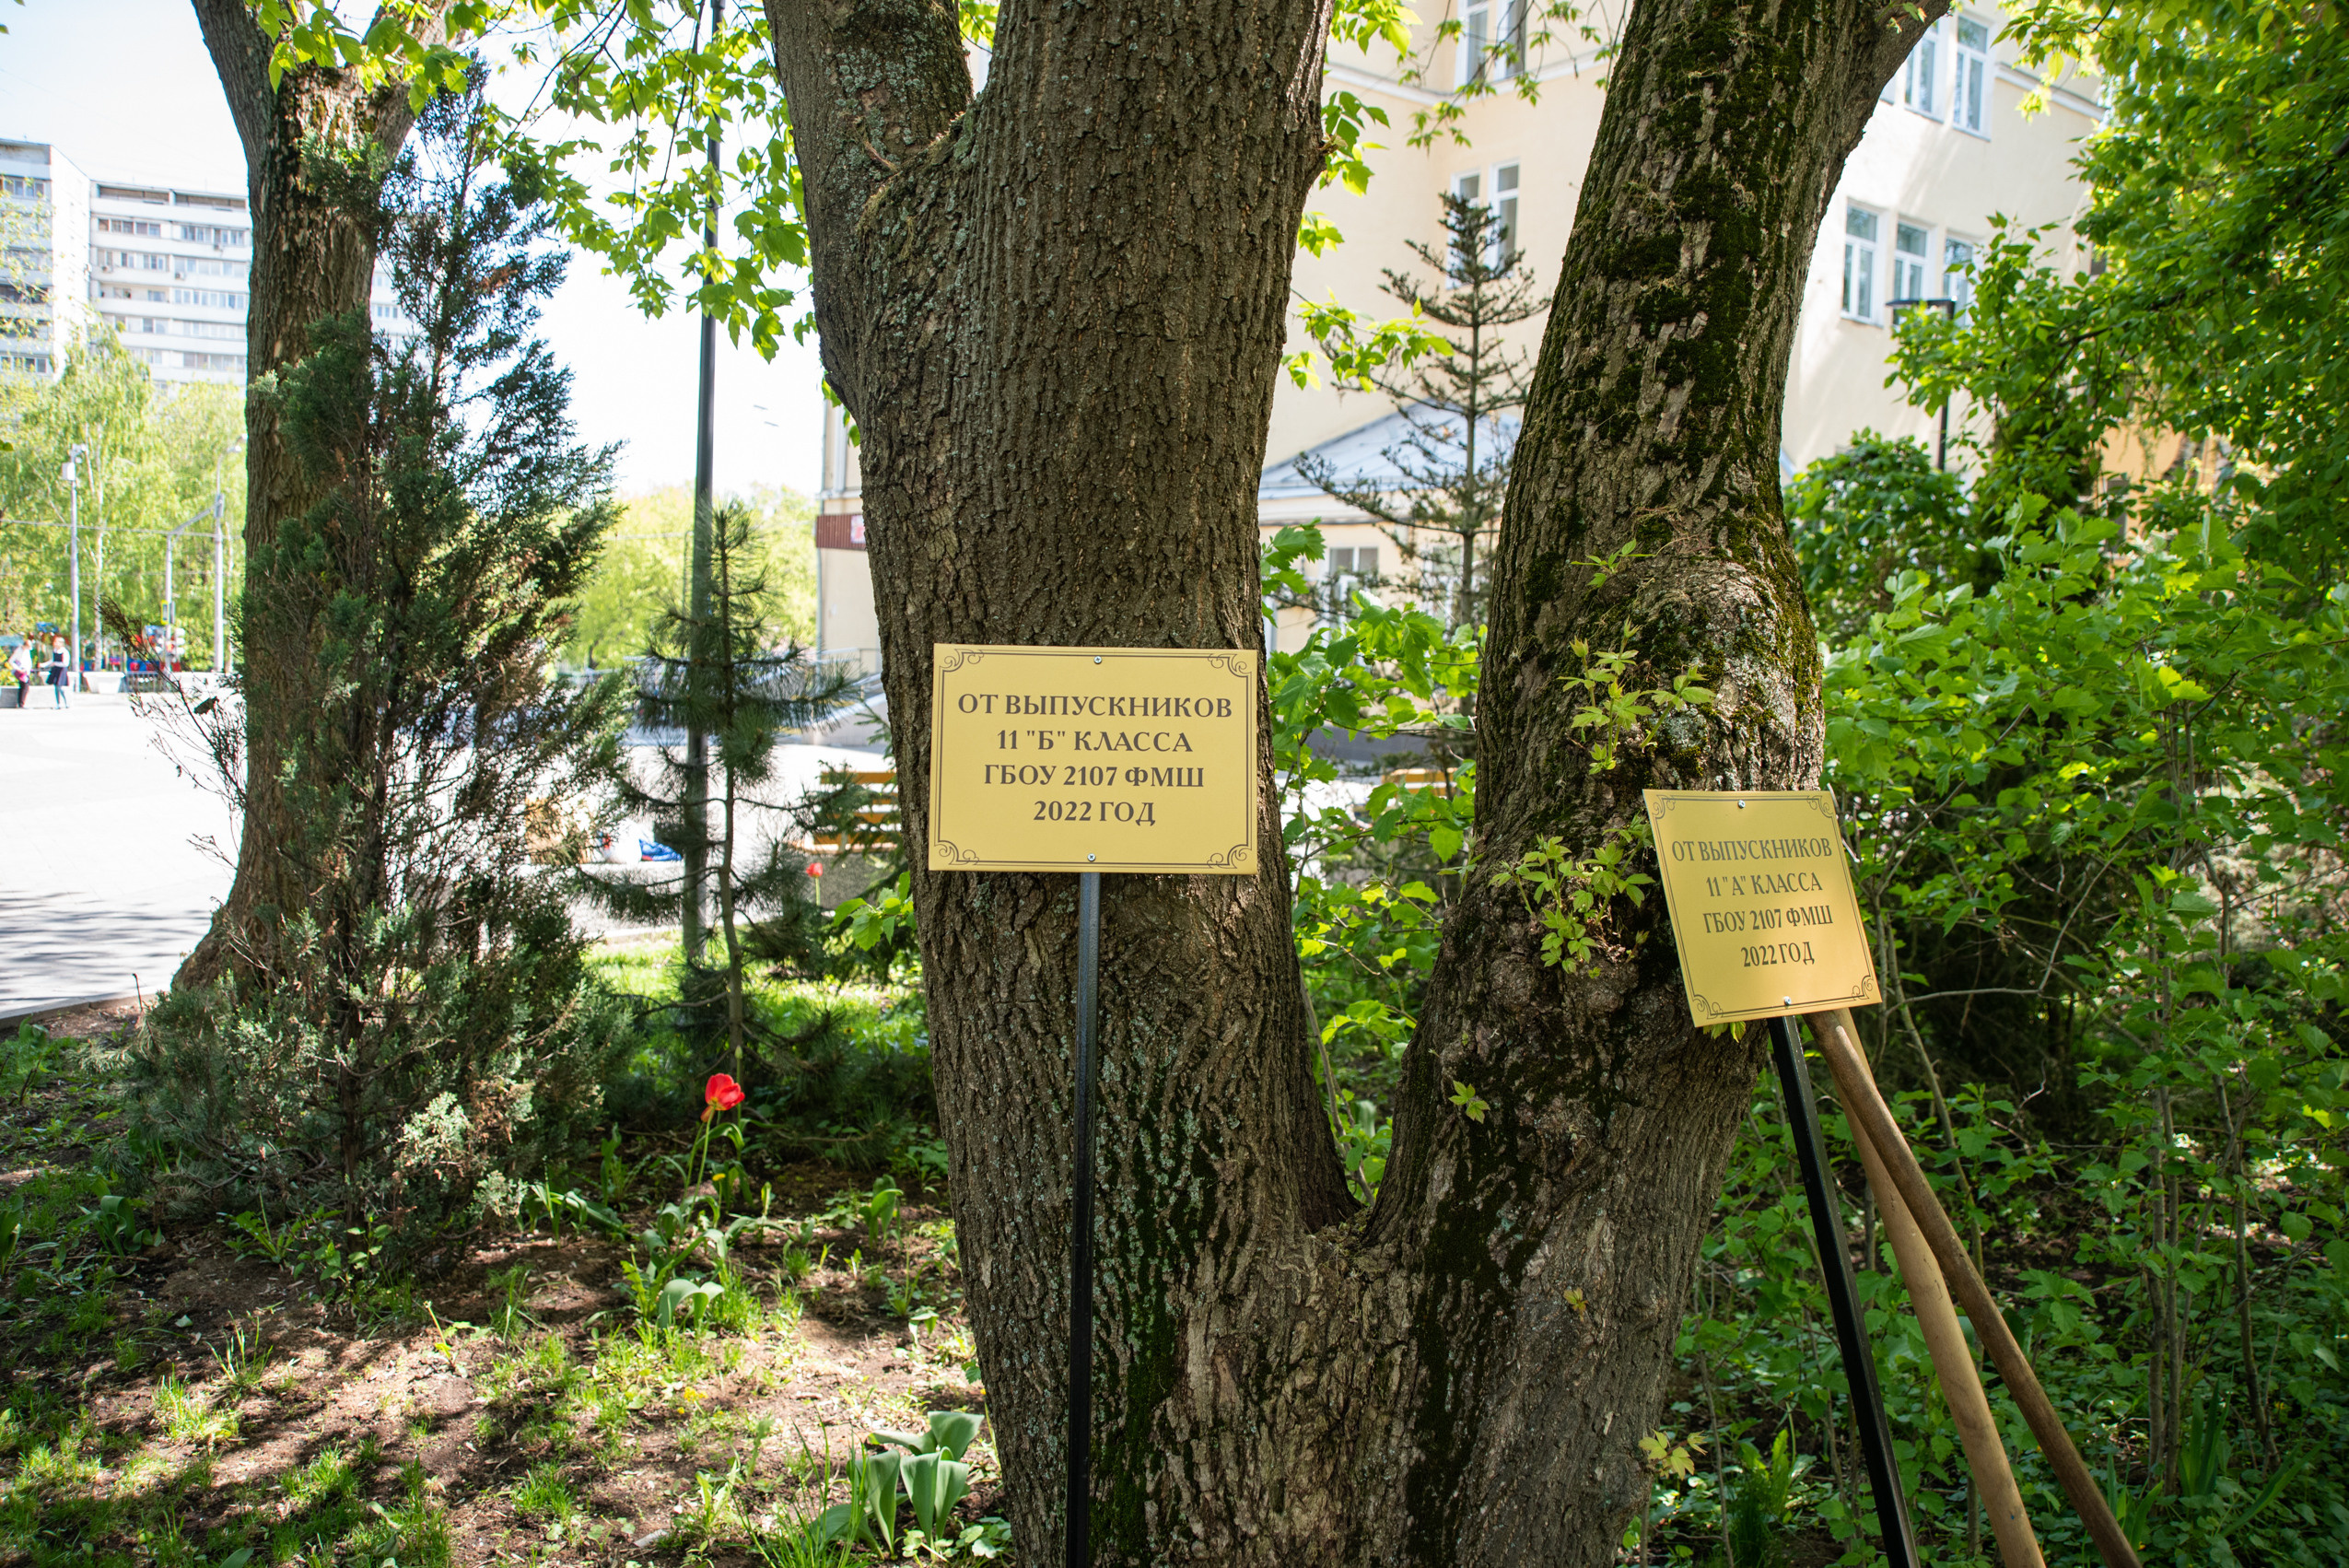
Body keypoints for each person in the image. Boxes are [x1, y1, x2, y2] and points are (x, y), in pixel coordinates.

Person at [47, 634, 69, 708]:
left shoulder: (64, 651)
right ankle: (58, 703)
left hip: (62, 670)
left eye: (56, 642)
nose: (55, 643)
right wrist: (44, 665)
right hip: (56, 670)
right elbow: (52, 660)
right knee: (56, 687)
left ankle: (66, 702)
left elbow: (65, 663)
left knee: (60, 687)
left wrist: (55, 663)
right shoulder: (55, 651)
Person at [6, 638, 29, 708]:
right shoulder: (19, 651)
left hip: (25, 671)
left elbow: (28, 661)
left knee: (24, 687)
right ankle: (21, 703)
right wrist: (18, 669)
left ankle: (21, 703)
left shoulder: (27, 651)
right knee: (24, 686)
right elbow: (11, 661)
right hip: (21, 671)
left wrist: (27, 669)